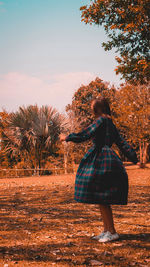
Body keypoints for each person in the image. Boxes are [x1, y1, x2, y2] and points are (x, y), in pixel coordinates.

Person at [59, 97, 138, 243]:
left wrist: (67, 137)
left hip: (101, 160)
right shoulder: (110, 123)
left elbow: (85, 134)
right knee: (101, 198)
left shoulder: (101, 120)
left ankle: (112, 231)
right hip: (108, 159)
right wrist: (135, 159)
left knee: (102, 197)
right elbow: (122, 143)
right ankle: (107, 230)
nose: (91, 109)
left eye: (92, 107)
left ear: (98, 109)